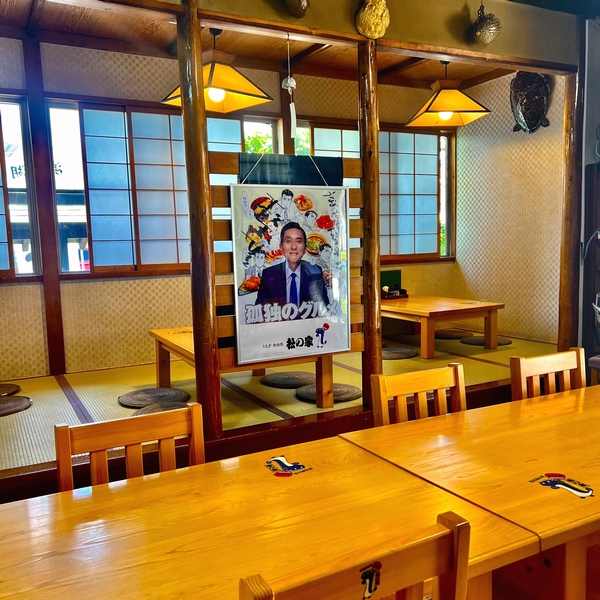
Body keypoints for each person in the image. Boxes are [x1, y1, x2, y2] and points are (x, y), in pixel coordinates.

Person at [256, 221, 329, 309]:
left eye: (298, 241)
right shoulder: (269, 275)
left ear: (305, 248)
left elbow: (324, 309)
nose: (293, 247)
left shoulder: (315, 272)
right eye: (288, 241)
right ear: (281, 248)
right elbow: (260, 310)